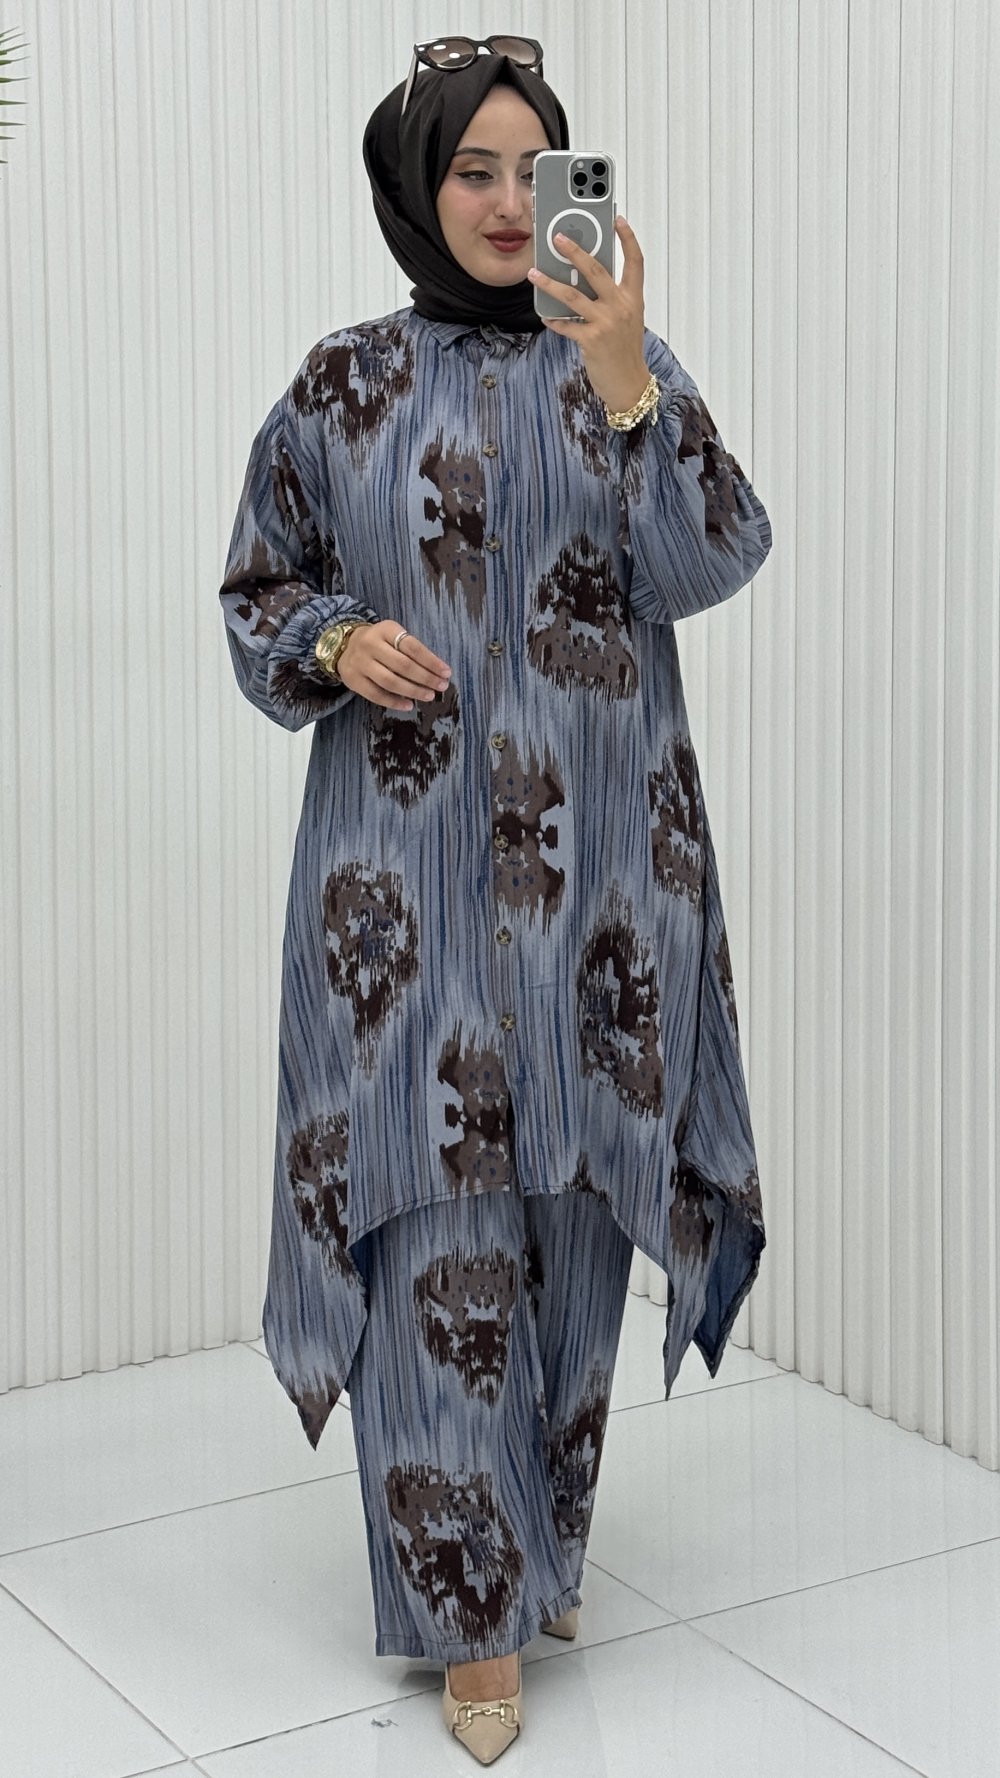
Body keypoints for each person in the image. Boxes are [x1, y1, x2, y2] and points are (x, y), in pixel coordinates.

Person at [218, 35, 772, 1766]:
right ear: (419, 183)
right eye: (476, 170)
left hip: (607, 874)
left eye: (539, 171)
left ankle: (545, 1546)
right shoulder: (341, 384)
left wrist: (626, 375)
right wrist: (334, 641)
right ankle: (471, 1610)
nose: (512, 202)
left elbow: (714, 555)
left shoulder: (623, 360)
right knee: (437, 1218)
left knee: (577, 1216)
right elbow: (258, 587)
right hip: (407, 888)